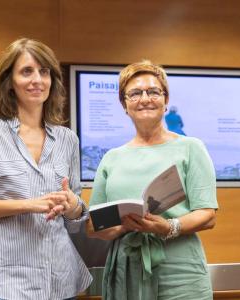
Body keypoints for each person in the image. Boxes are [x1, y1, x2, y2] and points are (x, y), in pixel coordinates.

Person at [0, 38, 92, 300]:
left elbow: (75, 218)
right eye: (26, 71)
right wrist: (29, 205)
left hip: (60, 282)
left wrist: (72, 204)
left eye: (44, 72)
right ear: (10, 81)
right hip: (4, 285)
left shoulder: (68, 139)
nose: (37, 80)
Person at [87, 60, 218, 300]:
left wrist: (168, 227)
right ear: (124, 104)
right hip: (127, 271)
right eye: (135, 93)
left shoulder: (191, 148)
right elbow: (94, 226)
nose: (145, 98)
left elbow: (207, 214)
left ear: (165, 101)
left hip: (180, 272)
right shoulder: (111, 158)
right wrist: (125, 224)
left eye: (153, 92)